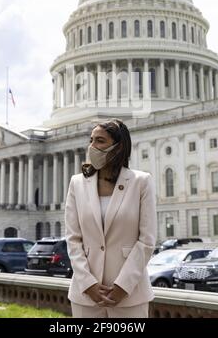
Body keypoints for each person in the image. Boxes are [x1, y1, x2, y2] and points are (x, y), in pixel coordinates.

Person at [65, 119, 157, 318]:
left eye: (100, 141)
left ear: (119, 146)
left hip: (130, 295)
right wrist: (88, 283)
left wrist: (123, 285)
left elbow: (147, 241)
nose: (92, 147)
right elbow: (73, 239)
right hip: (85, 295)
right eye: (91, 140)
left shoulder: (141, 182)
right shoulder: (77, 183)